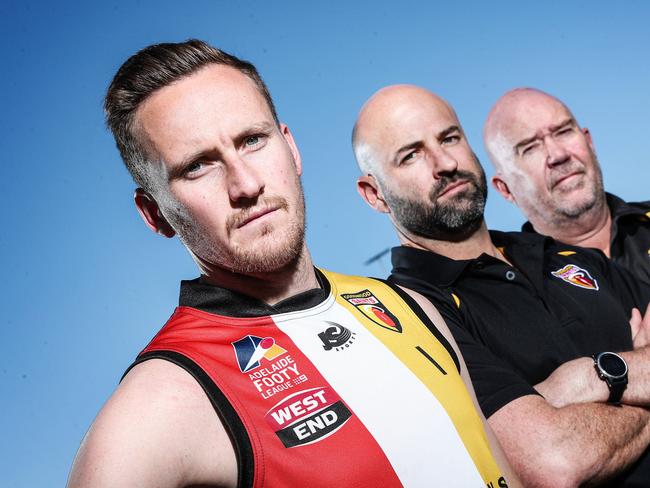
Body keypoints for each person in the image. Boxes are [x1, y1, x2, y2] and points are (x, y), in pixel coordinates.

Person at [66, 41, 514, 488]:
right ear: (155, 213)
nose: (246, 184)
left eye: (253, 141)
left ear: (291, 149)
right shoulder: (161, 402)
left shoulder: (407, 306)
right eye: (199, 166)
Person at [352, 84, 650, 487]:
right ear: (375, 195)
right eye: (411, 155)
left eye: (449, 138)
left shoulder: (561, 252)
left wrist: (588, 380)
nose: (444, 163)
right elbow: (555, 462)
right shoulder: (410, 316)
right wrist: (637, 370)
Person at [483, 88, 650, 287]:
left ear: (589, 142)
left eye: (563, 132)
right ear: (505, 188)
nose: (558, 155)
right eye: (530, 148)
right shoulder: (516, 285)